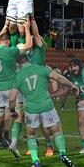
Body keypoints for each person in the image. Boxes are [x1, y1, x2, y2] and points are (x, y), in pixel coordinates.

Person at [9, 53, 79, 167]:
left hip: (31, 109)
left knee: (31, 135)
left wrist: (12, 110)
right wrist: (72, 85)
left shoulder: (17, 76)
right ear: (29, 60)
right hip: (47, 106)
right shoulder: (42, 69)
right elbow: (59, 78)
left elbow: (12, 98)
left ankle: (35, 160)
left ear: (18, 64)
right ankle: (62, 154)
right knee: (57, 132)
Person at [0, 20, 32, 159]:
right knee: (18, 117)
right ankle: (14, 144)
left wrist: (4, 26)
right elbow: (28, 45)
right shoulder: (10, 51)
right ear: (8, 42)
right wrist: (27, 29)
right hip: (12, 89)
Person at [25, 18, 55, 157]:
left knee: (43, 121)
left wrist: (32, 20)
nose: (30, 39)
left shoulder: (40, 49)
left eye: (33, 38)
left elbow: (35, 34)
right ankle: (32, 145)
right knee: (30, 120)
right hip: (29, 89)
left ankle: (49, 146)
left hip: (40, 87)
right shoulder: (28, 53)